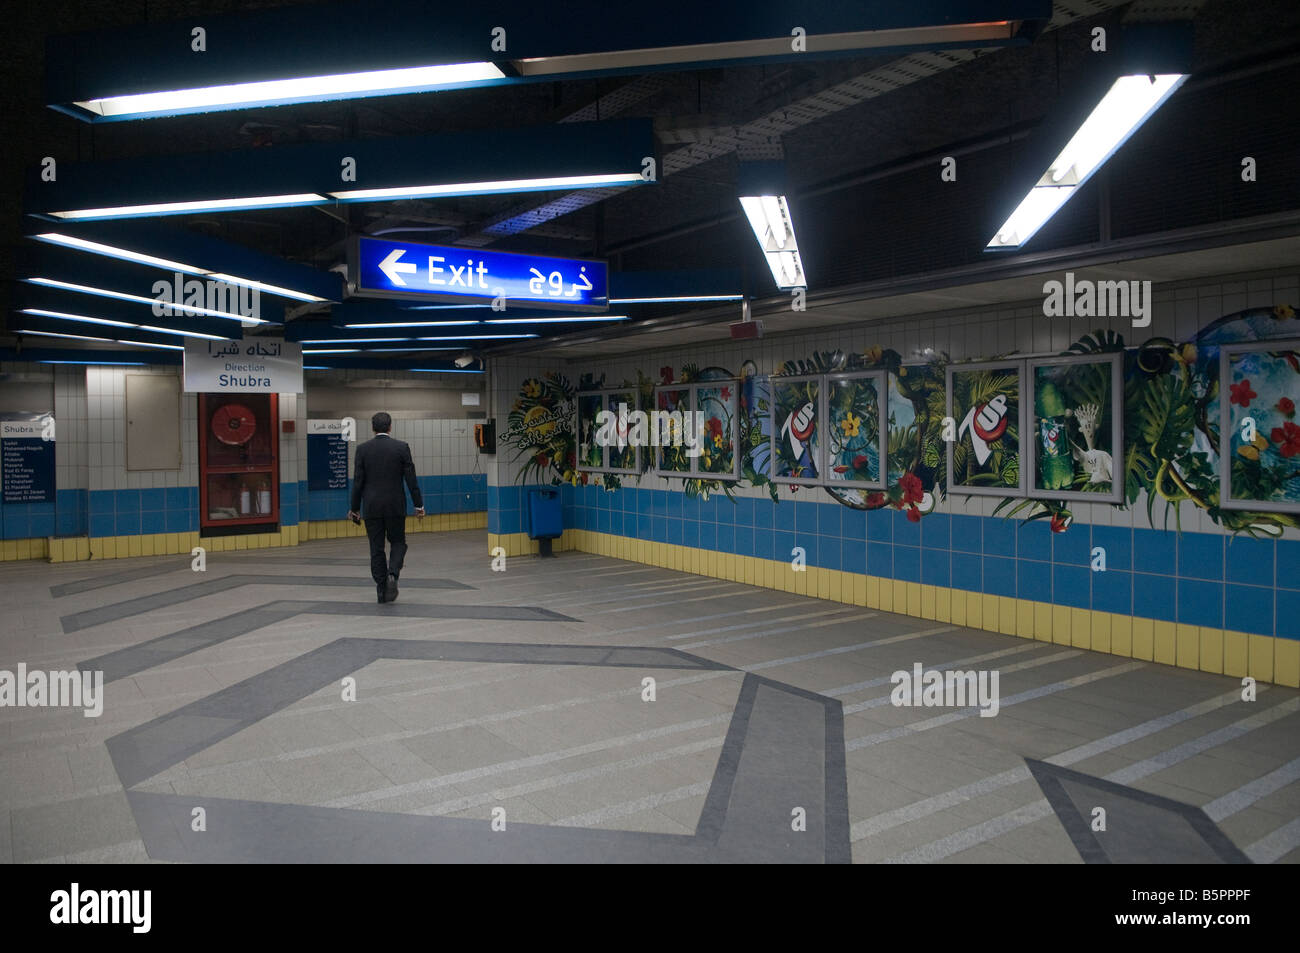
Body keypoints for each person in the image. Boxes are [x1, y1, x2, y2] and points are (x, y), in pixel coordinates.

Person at [348, 412, 425, 603]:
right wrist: (419, 505)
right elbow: (411, 480)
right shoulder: (401, 448)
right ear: (390, 427)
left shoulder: (362, 450)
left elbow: (358, 482)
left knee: (376, 548)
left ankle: (381, 589)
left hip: (372, 507)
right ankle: (393, 574)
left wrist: (354, 508)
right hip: (395, 506)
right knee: (398, 542)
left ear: (373, 428)